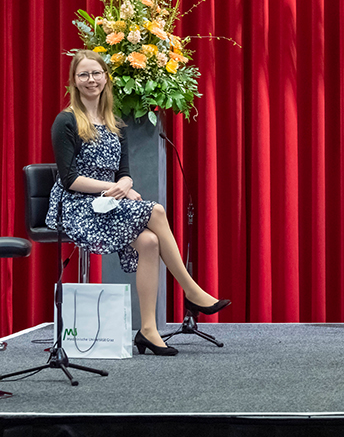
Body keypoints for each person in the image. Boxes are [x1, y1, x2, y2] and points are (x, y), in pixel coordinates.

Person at [47, 50, 230, 357]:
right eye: (84, 75)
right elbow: (70, 179)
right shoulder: (65, 121)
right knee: (156, 210)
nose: (91, 80)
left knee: (149, 242)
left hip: (108, 202)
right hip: (76, 205)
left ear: (106, 78)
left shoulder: (115, 123)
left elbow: (125, 173)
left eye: (96, 73)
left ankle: (148, 330)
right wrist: (116, 188)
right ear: (74, 81)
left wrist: (125, 184)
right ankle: (191, 290)